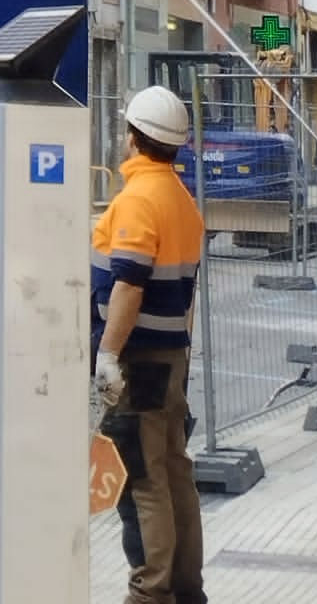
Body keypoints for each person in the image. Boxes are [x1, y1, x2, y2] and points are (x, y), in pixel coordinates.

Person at [91, 84, 206, 604]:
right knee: (174, 470)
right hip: (170, 355)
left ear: (133, 137)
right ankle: (184, 588)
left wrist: (109, 354)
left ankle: (150, 593)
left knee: (140, 476)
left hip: (139, 358)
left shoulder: (138, 199)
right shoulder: (181, 200)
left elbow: (130, 283)